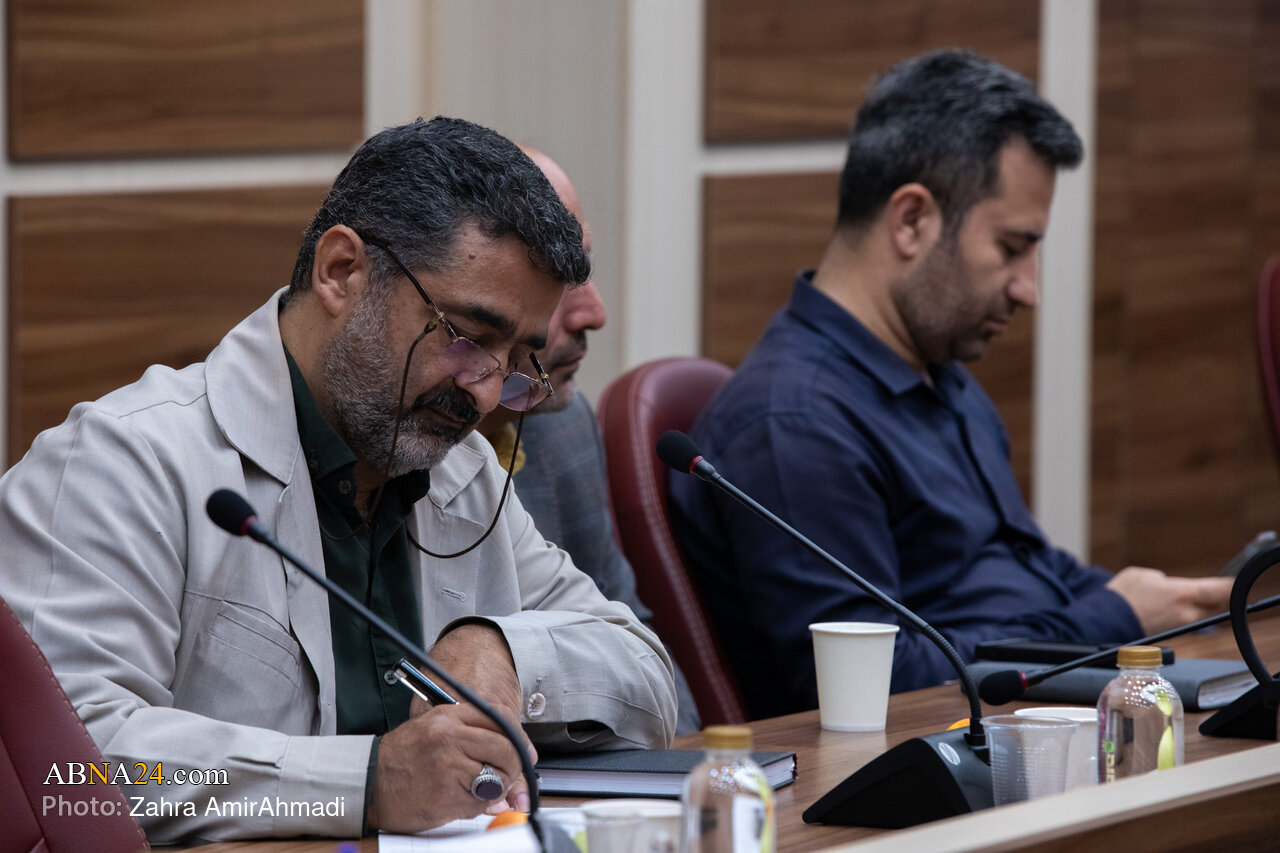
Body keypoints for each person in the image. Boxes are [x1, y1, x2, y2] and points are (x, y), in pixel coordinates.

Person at [0, 117, 676, 842]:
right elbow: (66, 780)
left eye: (516, 361)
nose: (485, 394)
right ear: (341, 271)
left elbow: (648, 678)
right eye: (466, 337)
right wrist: (362, 785)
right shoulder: (122, 460)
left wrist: (507, 650)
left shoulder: (462, 472)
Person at [670, 50, 1233, 721]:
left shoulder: (937, 371)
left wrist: (1171, 604)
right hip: (940, 758)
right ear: (912, 221)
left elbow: (1024, 566)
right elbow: (875, 687)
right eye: (1012, 248)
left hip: (1028, 721)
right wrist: (1115, 617)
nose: (1029, 289)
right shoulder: (794, 424)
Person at [476, 147, 702, 734]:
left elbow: (640, 653)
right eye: (556, 281)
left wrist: (697, 775)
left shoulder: (564, 428)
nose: (593, 313)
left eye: (586, 269)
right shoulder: (395, 446)